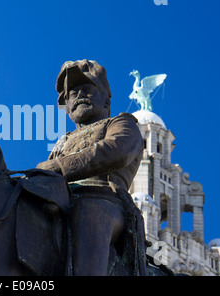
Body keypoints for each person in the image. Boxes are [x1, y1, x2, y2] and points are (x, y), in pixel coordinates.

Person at [37, 59, 145, 275]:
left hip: (104, 201)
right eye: (71, 95)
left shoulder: (121, 123)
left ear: (106, 100)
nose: (78, 96)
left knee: (89, 214)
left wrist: (57, 167)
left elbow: (117, 150)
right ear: (67, 108)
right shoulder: (62, 141)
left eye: (86, 89)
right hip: (59, 200)